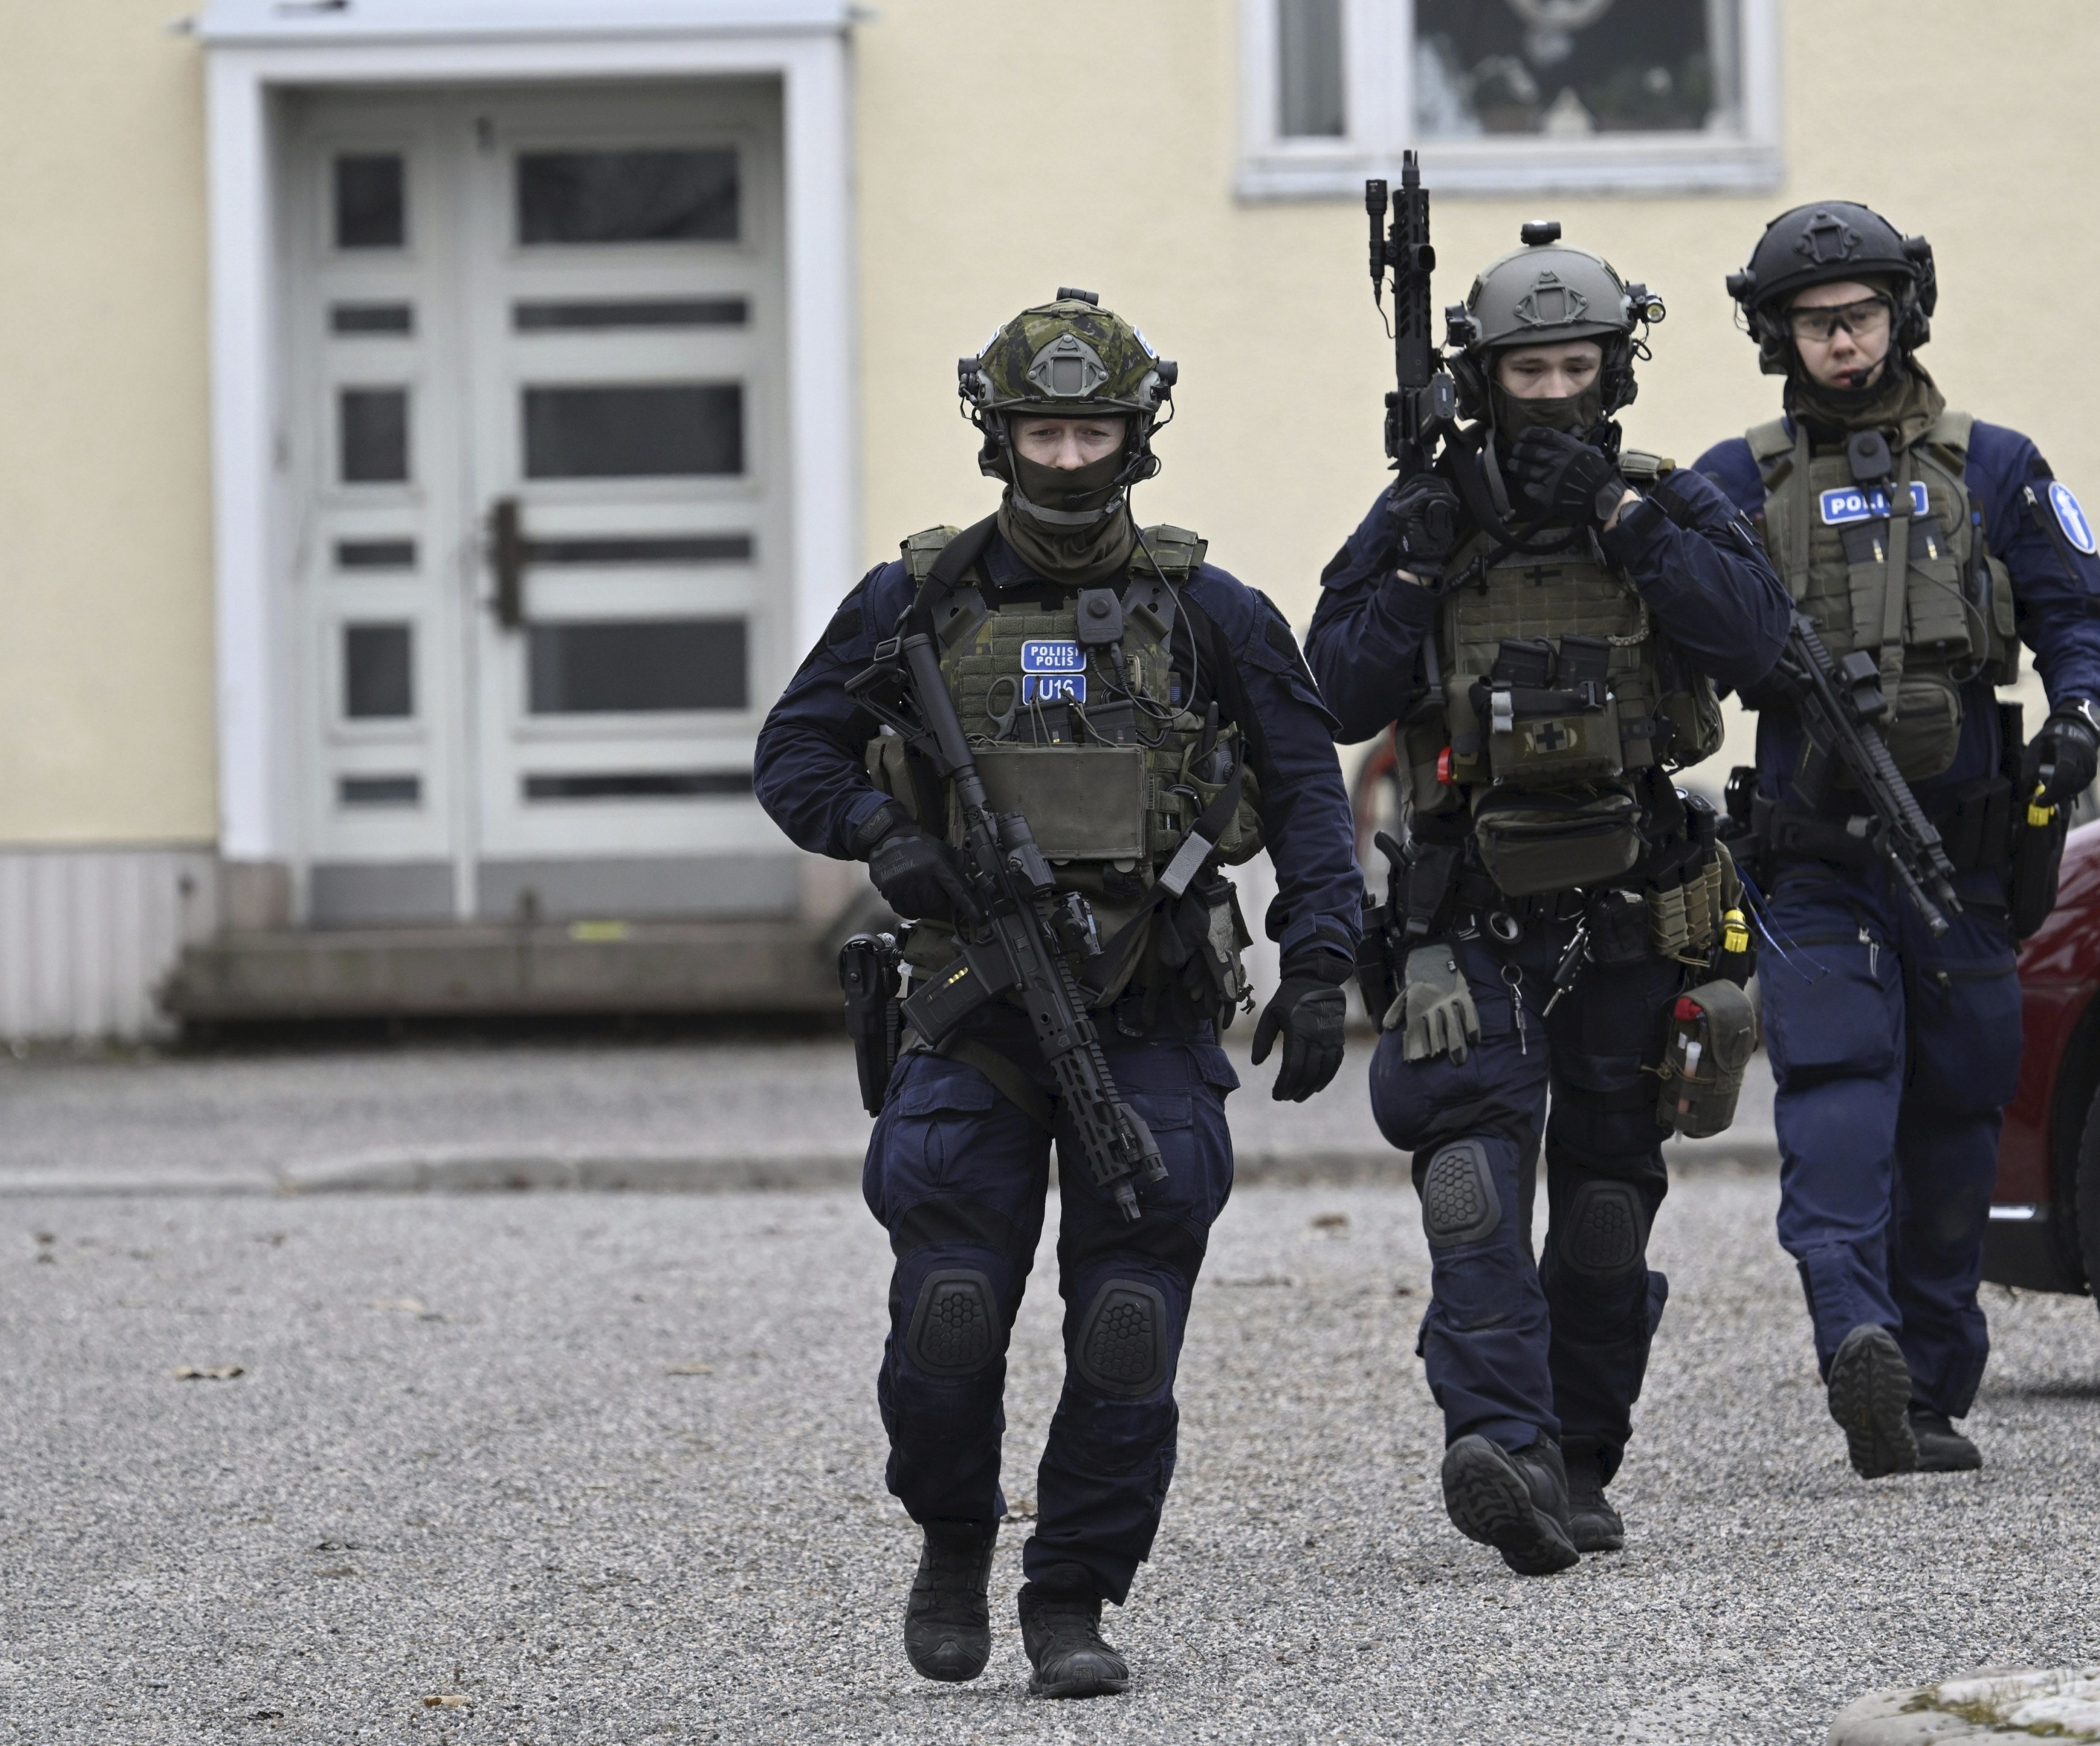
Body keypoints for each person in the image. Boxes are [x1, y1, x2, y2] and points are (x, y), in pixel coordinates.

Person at [753, 291, 1363, 1697]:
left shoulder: (1211, 611)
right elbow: (795, 755)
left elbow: (1305, 794)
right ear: (999, 435)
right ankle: (954, 1537)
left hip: (1147, 1007)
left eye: (1093, 433)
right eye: (1044, 432)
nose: (1069, 459)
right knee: (950, 1307)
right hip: (972, 1009)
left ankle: (1072, 1595)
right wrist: (884, 836)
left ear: (1136, 436)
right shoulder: (917, 599)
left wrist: (1326, 958)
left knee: (1128, 1324)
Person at [1305, 226, 1786, 1573]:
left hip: (1633, 910)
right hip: (1470, 918)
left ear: (1615, 370)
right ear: (1484, 377)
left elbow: (1760, 644)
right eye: (1530, 371)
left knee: (1603, 1213)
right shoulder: (1424, 516)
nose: (1556, 394)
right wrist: (1414, 569)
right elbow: (1331, 692)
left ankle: (1579, 1456)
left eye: (1578, 367)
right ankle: (1499, 1445)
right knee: (1469, 1189)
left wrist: (1625, 524)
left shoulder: (1668, 501)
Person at [1694, 201, 2100, 1479]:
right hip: (1815, 858)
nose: (1843, 342)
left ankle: (1928, 1394)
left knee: (1956, 1121)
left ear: (1904, 315)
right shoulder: (1735, 483)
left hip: (1965, 858)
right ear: (1778, 336)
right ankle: (1858, 1337)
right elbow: (1674, 644)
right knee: (1836, 1095)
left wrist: (2081, 718)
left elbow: (2077, 618)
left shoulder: (1995, 467)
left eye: (1862, 317)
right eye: (1817, 323)